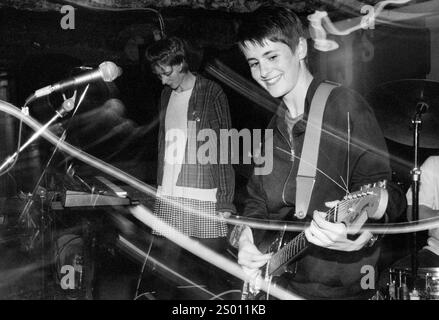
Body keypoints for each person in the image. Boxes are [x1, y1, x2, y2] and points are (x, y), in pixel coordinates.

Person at [229, 6, 405, 300]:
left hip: (338, 289)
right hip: (281, 283)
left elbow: (389, 197)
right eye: (254, 63)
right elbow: (257, 202)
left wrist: (361, 234)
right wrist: (245, 239)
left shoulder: (344, 107)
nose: (263, 72)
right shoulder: (272, 128)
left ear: (299, 48)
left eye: (272, 56)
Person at [144, 36, 236, 298]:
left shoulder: (211, 92)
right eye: (158, 75)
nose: (163, 80)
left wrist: (226, 202)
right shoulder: (165, 95)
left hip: (202, 196)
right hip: (171, 194)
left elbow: (223, 148)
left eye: (166, 72)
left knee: (214, 270)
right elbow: (165, 144)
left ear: (181, 62)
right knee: (165, 269)